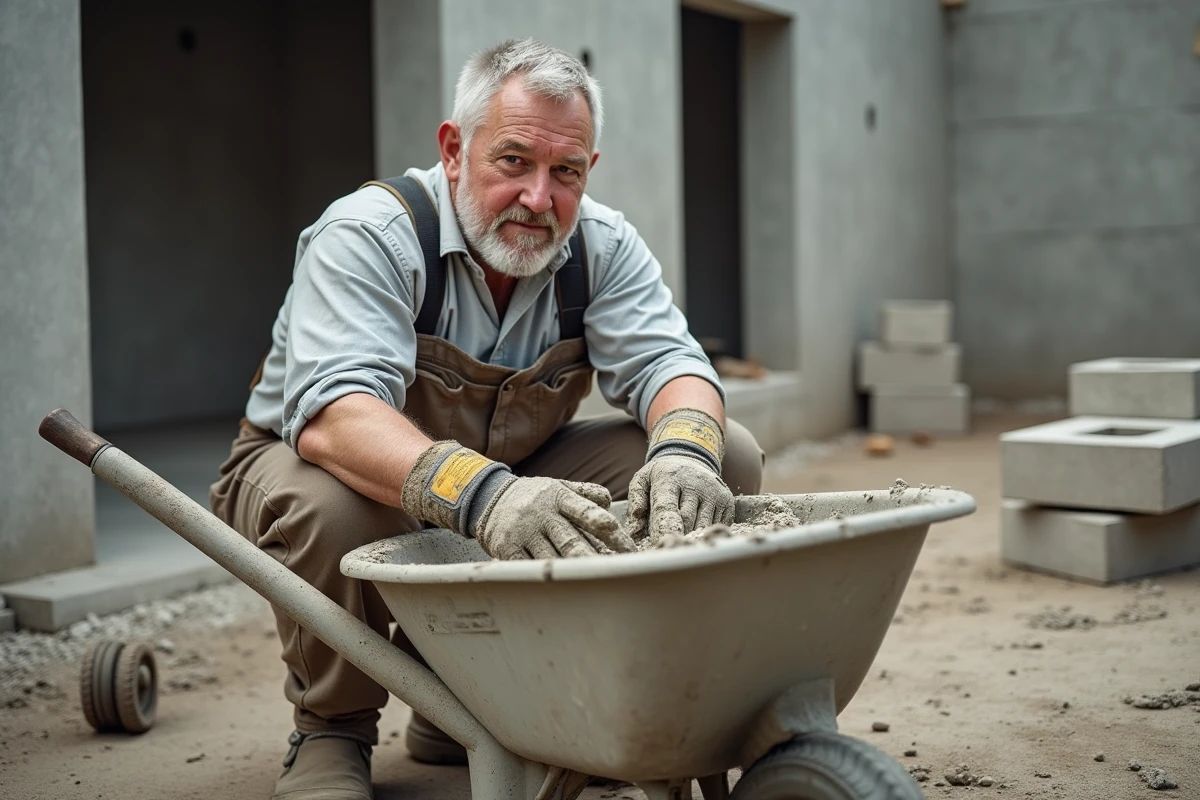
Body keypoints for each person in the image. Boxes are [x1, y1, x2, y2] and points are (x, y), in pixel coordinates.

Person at [209, 37, 764, 800]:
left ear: (588, 172)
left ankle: (472, 697)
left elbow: (676, 368)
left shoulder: (599, 246)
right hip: (324, 475)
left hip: (507, 470)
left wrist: (686, 456)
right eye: (513, 162)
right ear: (453, 148)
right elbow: (338, 419)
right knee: (332, 509)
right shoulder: (370, 235)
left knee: (721, 456)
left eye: (565, 172)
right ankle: (332, 728)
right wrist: (488, 497)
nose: (540, 198)